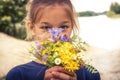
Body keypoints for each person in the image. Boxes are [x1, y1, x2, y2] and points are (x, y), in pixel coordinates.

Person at [6, 0, 100, 80]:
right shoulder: (18, 75)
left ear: (72, 26)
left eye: (63, 27)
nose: (56, 36)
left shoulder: (90, 74)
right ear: (32, 28)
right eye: (46, 27)